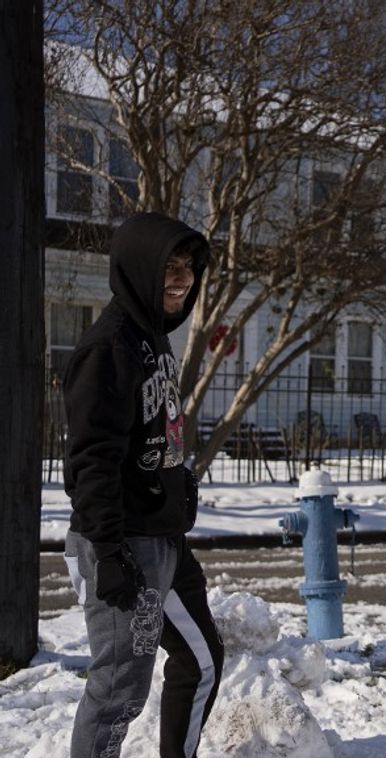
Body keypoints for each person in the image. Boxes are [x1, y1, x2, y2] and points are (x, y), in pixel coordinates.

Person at [62, 212, 223, 758]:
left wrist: (180, 483)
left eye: (187, 267)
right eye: (168, 267)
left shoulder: (152, 338)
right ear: (138, 269)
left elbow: (153, 431)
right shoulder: (106, 349)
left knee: (201, 661)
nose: (180, 278)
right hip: (122, 546)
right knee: (118, 694)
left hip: (164, 540)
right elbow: (92, 461)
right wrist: (108, 553)